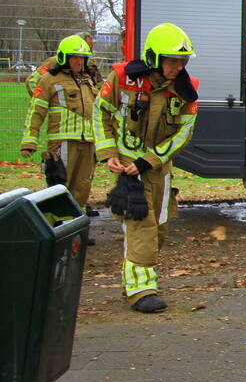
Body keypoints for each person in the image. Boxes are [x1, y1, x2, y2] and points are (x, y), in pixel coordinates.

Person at [93, 23, 199, 313]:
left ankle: (133, 281)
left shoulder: (185, 92)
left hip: (158, 170)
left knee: (159, 230)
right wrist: (108, 153)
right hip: (128, 169)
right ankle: (141, 291)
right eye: (172, 61)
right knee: (141, 227)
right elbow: (100, 113)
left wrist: (149, 161)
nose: (178, 67)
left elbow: (183, 134)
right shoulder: (122, 79)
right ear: (154, 58)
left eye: (182, 61)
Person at [20, 34, 99, 235]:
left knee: (82, 188)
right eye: (75, 57)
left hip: (88, 142)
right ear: (64, 57)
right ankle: (51, 232)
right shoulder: (49, 80)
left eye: (82, 58)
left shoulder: (87, 80)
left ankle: (74, 231)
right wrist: (29, 141)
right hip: (62, 142)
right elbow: (36, 111)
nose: (79, 62)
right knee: (59, 187)